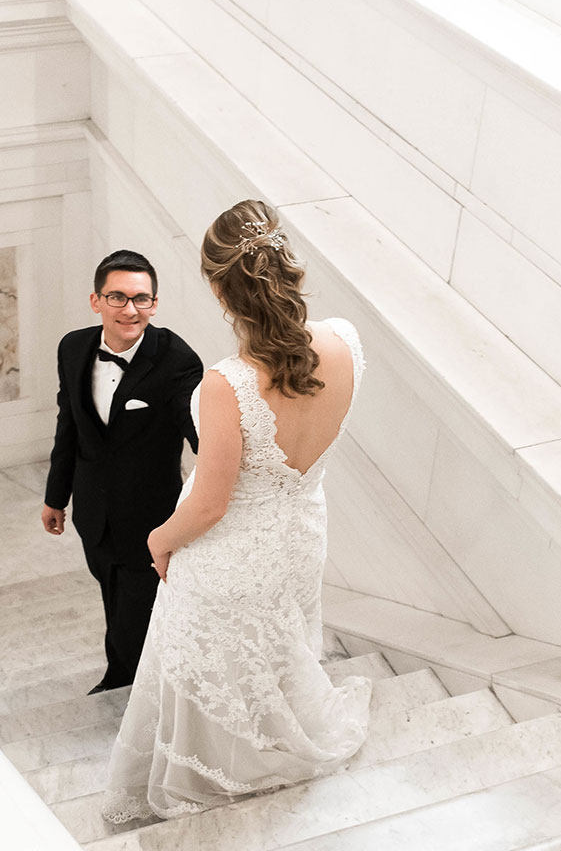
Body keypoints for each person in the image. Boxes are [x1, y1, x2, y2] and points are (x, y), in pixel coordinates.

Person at [102, 199, 372, 822]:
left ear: (223, 294)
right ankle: (279, 737)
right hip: (302, 532)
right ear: (288, 267)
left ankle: (229, 768)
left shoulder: (227, 385)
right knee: (280, 644)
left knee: (215, 661)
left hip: (231, 553)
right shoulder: (345, 343)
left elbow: (210, 501)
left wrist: (158, 540)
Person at [43, 250, 205, 694]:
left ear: (154, 304)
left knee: (137, 615)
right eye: (117, 297)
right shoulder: (73, 347)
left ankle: (129, 689)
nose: (130, 310)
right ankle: (128, 678)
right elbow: (69, 423)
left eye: (142, 299)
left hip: (150, 520)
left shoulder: (177, 360)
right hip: (93, 513)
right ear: (96, 300)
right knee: (112, 596)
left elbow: (203, 441)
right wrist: (56, 496)